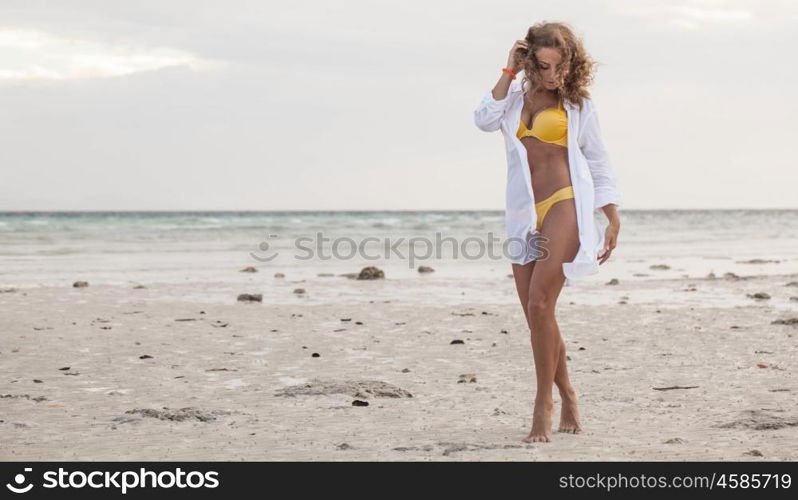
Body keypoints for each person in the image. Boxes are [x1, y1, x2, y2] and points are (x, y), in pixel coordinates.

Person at [473, 21, 622, 443]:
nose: (553, 76)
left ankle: (543, 404)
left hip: (565, 203)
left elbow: (597, 160)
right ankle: (569, 392)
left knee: (541, 304)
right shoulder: (512, 97)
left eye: (560, 67)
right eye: (543, 66)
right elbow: (483, 119)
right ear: (527, 60)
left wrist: (611, 216)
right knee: (536, 313)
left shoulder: (578, 105)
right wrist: (507, 71)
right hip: (524, 213)